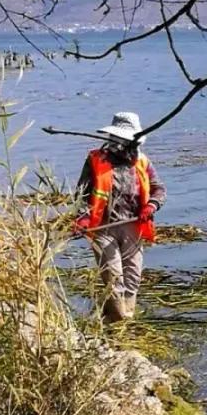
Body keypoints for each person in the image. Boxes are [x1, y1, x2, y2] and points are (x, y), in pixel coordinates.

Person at [73, 112, 166, 322]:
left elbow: (159, 189)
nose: (123, 145)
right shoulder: (95, 160)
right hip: (103, 227)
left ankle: (124, 317)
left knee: (132, 277)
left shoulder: (142, 162)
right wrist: (82, 218)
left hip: (133, 224)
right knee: (114, 279)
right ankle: (119, 322)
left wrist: (151, 206)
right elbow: (82, 193)